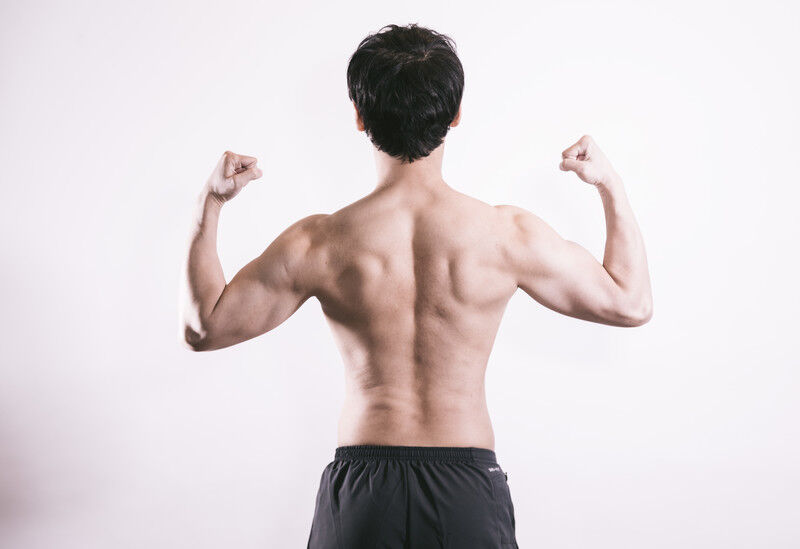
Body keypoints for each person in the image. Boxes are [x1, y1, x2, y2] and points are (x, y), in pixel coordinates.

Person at [178, 22, 652, 549]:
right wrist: (610, 185)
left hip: (364, 493)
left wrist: (210, 203)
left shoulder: (320, 242)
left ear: (359, 117)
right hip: (466, 491)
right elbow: (630, 303)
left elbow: (204, 328)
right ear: (455, 114)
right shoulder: (505, 235)